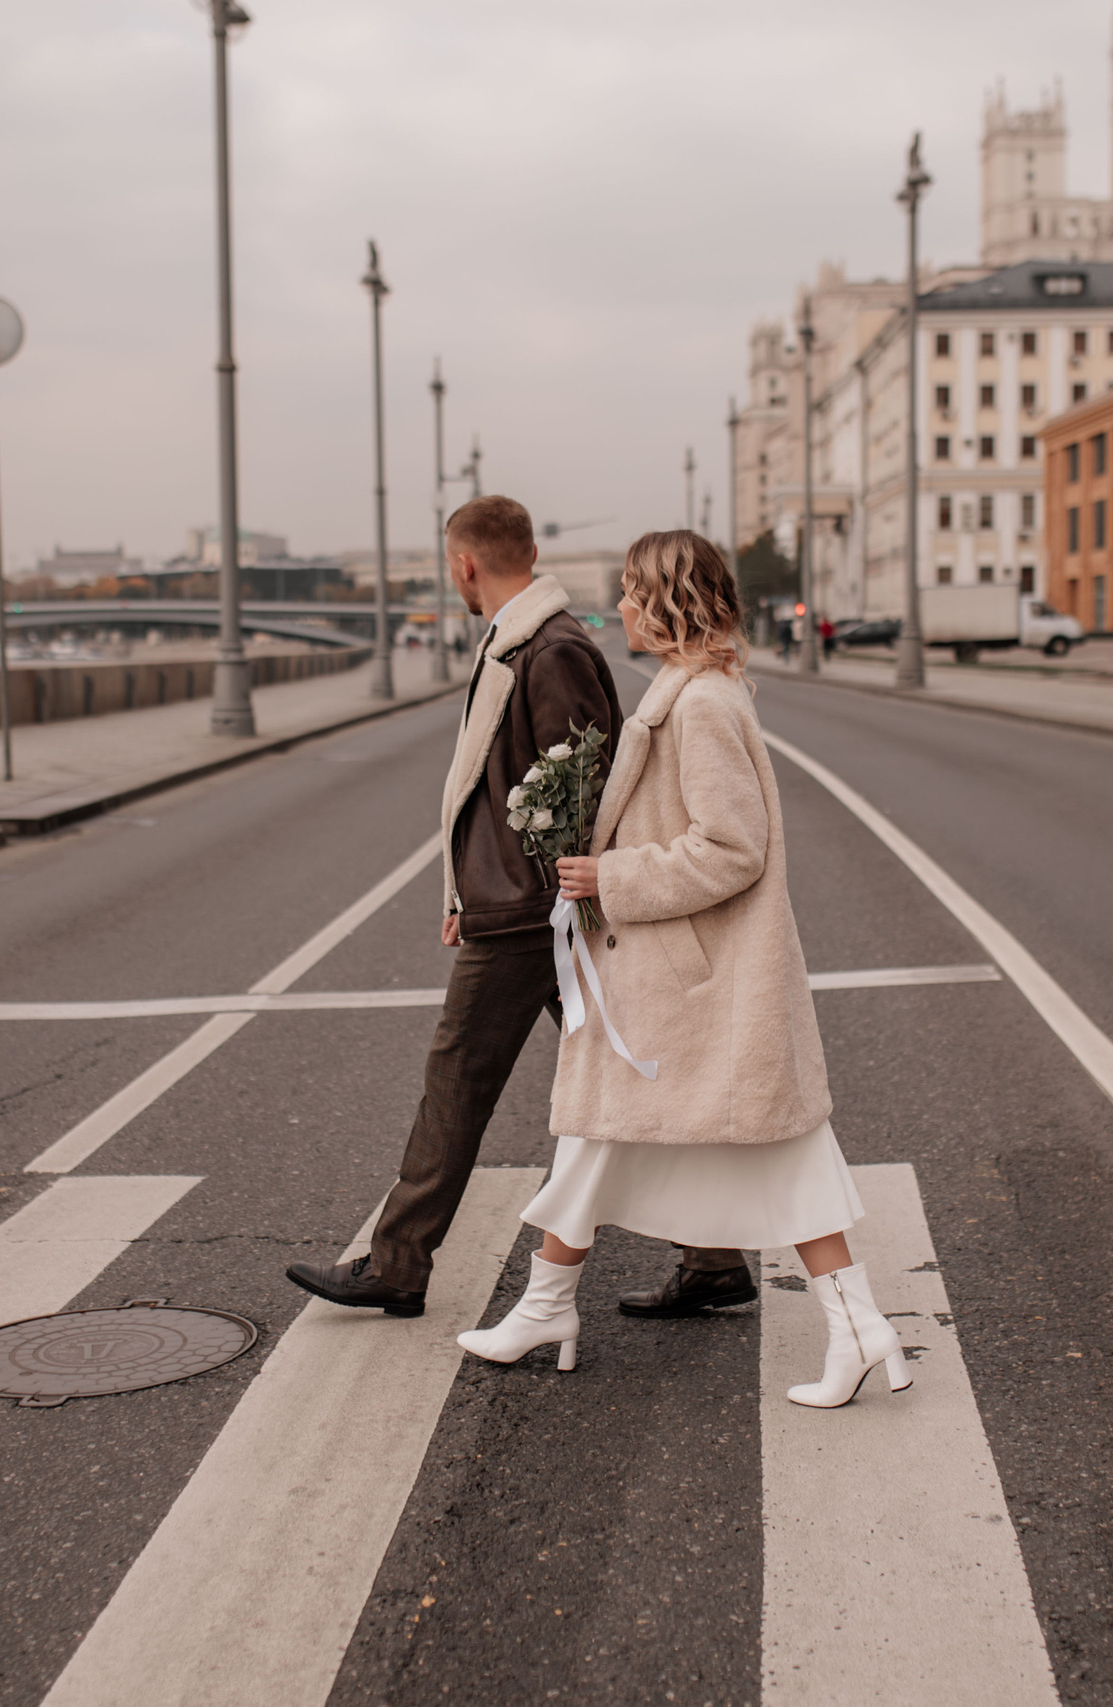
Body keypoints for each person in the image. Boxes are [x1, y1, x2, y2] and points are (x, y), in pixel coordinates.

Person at [455, 529, 909, 1410]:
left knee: (757, 1151)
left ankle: (553, 1309)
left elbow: (733, 848)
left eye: (630, 590)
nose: (618, 605)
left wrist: (609, 877)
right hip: (681, 980)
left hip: (697, 981)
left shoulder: (700, 705)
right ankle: (551, 1306)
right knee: (608, 1138)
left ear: (666, 603)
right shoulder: (689, 691)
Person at [286, 497, 751, 1320]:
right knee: (631, 1070)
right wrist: (464, 894)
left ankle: (398, 1263)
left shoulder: (552, 648)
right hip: (522, 903)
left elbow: (583, 787)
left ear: (464, 564)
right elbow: (506, 787)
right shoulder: (523, 641)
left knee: (458, 1074)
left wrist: (546, 900)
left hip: (538, 911)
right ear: (528, 549)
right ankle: (714, 1254)